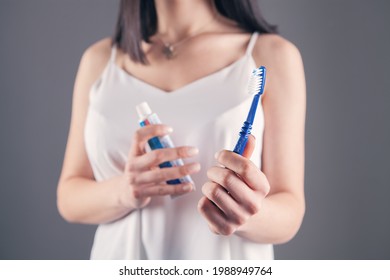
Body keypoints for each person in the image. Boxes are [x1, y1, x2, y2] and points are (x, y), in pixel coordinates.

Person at [57, 0, 306, 259]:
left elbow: (290, 211)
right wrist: (124, 191)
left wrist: (246, 213)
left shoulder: (271, 54)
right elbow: (69, 198)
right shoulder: (99, 60)